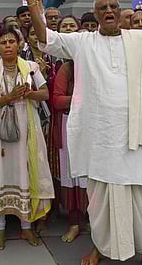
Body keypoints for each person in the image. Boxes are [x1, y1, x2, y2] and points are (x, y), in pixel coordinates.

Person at [13, 0, 142, 265]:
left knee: (138, 198)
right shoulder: (83, 42)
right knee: (100, 200)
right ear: (96, 15)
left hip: (135, 138)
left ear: (121, 12)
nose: (110, 11)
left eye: (114, 7)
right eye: (103, 8)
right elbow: (45, 37)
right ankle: (100, 247)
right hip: (99, 137)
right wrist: (31, 1)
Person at [0, 25, 53, 249]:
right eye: (3, 43)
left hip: (27, 128)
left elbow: (45, 94)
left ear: (19, 44)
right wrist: (8, 98)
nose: (8, 46)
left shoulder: (30, 67)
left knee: (26, 172)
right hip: (0, 130)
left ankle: (26, 228)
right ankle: (0, 231)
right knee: (0, 176)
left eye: (12, 42)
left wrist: (28, 94)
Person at [51, 17, 88, 244]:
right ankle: (74, 222)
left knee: (93, 176)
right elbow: (57, 100)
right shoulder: (68, 67)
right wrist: (84, 100)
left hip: (95, 126)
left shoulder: (98, 65)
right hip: (69, 124)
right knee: (72, 174)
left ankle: (94, 219)